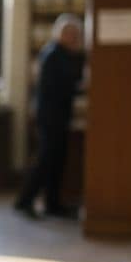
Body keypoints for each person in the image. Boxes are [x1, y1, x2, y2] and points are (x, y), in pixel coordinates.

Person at [14, 14, 86, 218]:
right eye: (73, 35)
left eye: (77, 35)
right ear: (62, 34)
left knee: (57, 160)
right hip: (51, 117)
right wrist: (78, 87)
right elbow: (57, 87)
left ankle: (53, 203)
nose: (76, 39)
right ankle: (25, 200)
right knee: (46, 160)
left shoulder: (61, 54)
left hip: (58, 116)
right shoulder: (54, 55)